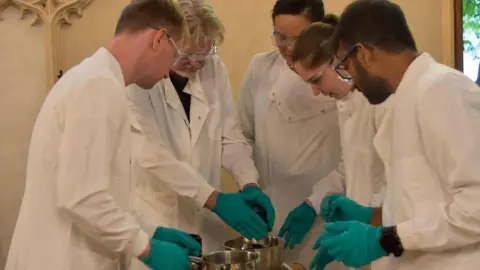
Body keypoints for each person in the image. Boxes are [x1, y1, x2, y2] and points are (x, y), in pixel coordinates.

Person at [5, 1, 202, 270]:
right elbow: (82, 197)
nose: (169, 72)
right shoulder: (98, 85)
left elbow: (104, 193)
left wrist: (152, 232)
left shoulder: (94, 79)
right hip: (62, 260)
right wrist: (144, 248)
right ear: (158, 38)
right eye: (173, 55)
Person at [316, 0, 480, 269]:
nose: (352, 82)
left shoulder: (443, 91)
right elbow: (423, 203)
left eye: (346, 67)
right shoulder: (402, 99)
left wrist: (386, 239)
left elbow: (476, 207)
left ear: (365, 54)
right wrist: (373, 217)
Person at [126, 0, 275, 264]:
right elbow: (150, 154)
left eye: (204, 54)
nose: (196, 64)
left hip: (205, 224)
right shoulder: (137, 80)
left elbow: (229, 134)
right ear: (165, 42)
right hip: (159, 215)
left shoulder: (214, 69)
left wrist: (248, 181)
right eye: (187, 55)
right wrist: (213, 198)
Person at [279, 15, 391, 270]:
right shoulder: (346, 104)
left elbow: (400, 178)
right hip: (367, 239)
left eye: (316, 80)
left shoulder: (380, 103)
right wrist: (314, 201)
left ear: (339, 60)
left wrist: (370, 217)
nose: (315, 92)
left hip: (388, 238)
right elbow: (349, 165)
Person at [237, 0, 343, 266]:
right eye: (279, 36)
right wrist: (247, 183)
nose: (286, 47)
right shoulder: (260, 68)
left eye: (295, 38)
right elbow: (242, 135)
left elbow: (356, 157)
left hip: (324, 212)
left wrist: (316, 202)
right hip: (270, 211)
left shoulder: (340, 78)